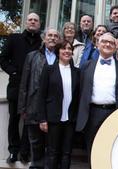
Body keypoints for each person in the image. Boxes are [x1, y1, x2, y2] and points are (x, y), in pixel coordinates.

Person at [75, 32, 118, 165]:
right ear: (97, 44)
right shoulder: (86, 66)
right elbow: (80, 91)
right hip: (92, 113)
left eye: (111, 42)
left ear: (116, 46)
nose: (107, 44)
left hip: (115, 113)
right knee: (93, 151)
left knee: (113, 150)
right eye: (104, 41)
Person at [0, 12, 42, 163]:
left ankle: (24, 152)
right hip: (16, 87)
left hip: (33, 90)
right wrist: (14, 71)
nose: (32, 22)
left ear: (39, 24)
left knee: (29, 121)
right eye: (30, 19)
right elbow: (3, 59)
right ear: (26, 22)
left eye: (35, 20)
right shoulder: (14, 38)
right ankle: (13, 151)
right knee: (14, 120)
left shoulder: (41, 43)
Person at [18, 28, 60, 169]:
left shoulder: (62, 58)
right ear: (44, 38)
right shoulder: (32, 56)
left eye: (55, 36)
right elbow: (24, 83)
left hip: (53, 109)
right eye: (50, 35)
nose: (52, 38)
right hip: (33, 107)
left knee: (52, 147)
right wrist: (22, 108)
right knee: (35, 145)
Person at [38, 40, 80, 169]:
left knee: (67, 153)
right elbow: (41, 96)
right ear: (58, 51)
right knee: (52, 152)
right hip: (52, 118)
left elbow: (78, 96)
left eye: (69, 49)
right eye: (63, 48)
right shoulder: (49, 69)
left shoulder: (77, 72)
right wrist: (42, 119)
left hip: (70, 119)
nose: (67, 51)